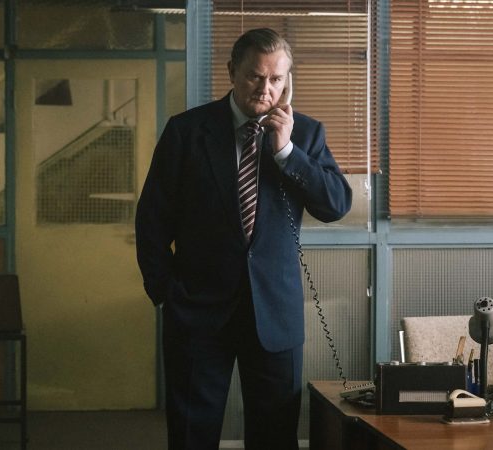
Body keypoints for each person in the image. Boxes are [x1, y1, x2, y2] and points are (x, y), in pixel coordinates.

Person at [135, 28, 352, 449]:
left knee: (275, 437)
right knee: (191, 435)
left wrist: (287, 152)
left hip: (274, 314)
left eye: (276, 79)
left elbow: (336, 205)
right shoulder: (186, 131)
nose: (265, 89)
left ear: (287, 80)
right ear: (232, 71)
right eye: (255, 76)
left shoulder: (305, 134)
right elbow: (152, 221)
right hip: (196, 312)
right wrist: (165, 292)